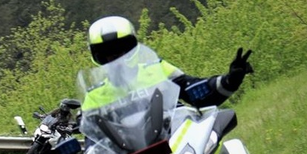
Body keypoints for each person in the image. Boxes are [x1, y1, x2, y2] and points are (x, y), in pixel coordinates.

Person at [84, 15, 253, 111]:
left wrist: (230, 80)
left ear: (132, 48)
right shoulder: (94, 95)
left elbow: (194, 90)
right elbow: (92, 137)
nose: (116, 58)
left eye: (120, 50)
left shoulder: (157, 69)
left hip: (173, 144)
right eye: (108, 54)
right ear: (99, 57)